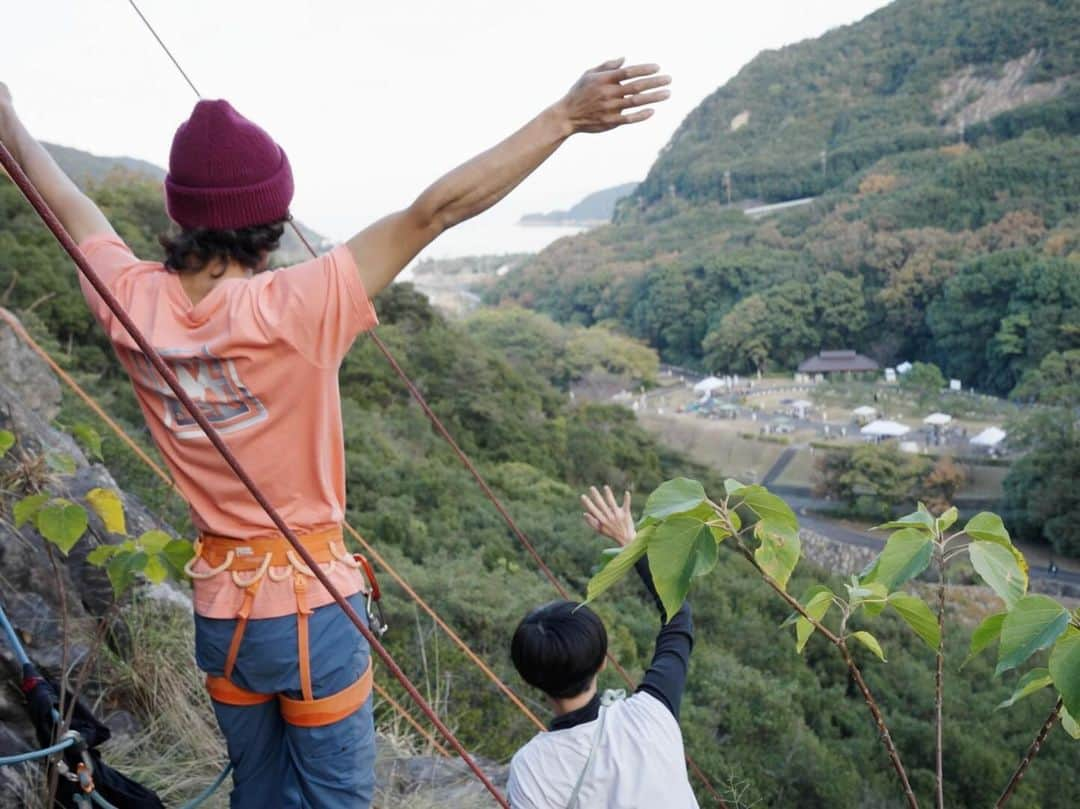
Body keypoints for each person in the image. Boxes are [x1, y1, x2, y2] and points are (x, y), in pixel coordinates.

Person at [0, 60, 670, 808]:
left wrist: (9, 121)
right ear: (271, 217)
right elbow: (435, 211)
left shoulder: (126, 299)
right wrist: (565, 117)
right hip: (311, 611)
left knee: (257, 791)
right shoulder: (294, 305)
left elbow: (66, 201)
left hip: (221, 613)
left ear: (182, 214)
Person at [508, 485, 699, 809]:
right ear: (602, 662)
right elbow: (678, 616)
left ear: (529, 678)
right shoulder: (653, 713)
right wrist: (630, 541)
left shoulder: (532, 768)